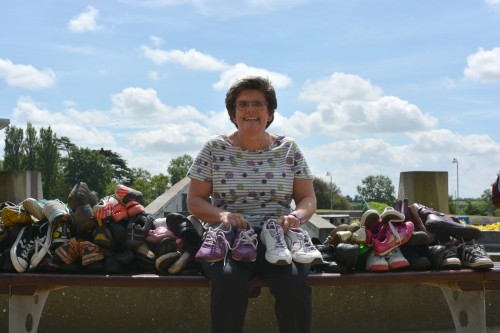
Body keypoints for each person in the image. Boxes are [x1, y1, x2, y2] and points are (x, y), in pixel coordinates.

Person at [186, 76, 317, 333]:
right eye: (242, 105)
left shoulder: (288, 148)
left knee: (293, 283)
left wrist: (297, 217)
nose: (250, 111)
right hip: (230, 237)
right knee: (227, 280)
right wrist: (222, 214)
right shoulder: (215, 147)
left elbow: (307, 198)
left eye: (258, 104)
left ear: (270, 113)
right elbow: (195, 201)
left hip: (277, 237)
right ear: (233, 113)